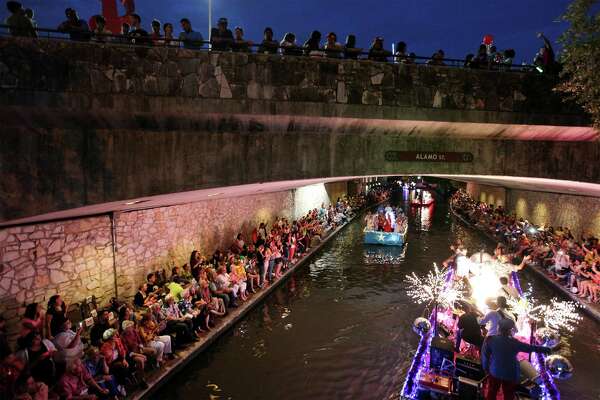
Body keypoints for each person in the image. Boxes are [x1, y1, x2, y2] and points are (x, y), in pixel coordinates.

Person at [481, 319, 551, 400]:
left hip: (495, 371)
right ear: (510, 330)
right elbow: (530, 348)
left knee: (492, 391)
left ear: (498, 328)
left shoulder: (490, 340)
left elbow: (485, 356)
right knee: (509, 394)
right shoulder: (514, 342)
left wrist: (485, 368)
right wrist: (546, 349)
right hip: (510, 373)